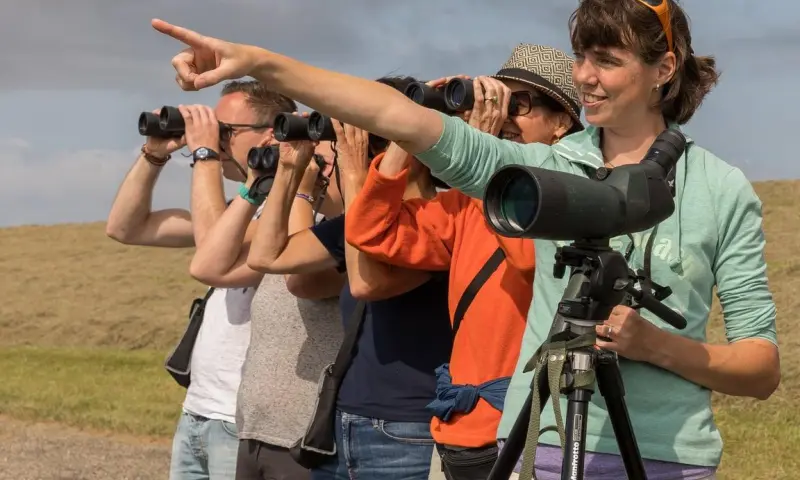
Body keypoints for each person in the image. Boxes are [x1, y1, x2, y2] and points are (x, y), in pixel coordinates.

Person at [151, 0, 781, 478]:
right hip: (541, 445)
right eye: (581, 58)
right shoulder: (543, 169)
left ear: (663, 69)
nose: (586, 77)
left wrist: (656, 347)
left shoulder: (720, 189)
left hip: (669, 456)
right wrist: (261, 63)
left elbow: (761, 368)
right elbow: (397, 115)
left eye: (607, 61)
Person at [343, 45, 583, 480]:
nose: (504, 116)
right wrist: (407, 130)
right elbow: (371, 231)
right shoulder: (462, 205)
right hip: (457, 425)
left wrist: (482, 158)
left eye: (519, 104)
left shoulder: (573, 197)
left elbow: (528, 261)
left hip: (522, 431)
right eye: (496, 101)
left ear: (561, 123)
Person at [106, 81, 337, 480]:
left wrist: (204, 156)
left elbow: (212, 251)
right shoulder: (245, 208)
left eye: (225, 130)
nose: (215, 138)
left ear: (272, 133)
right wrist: (154, 155)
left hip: (241, 419)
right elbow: (126, 227)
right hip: (199, 410)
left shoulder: (300, 217)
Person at [244, 76, 454, 480]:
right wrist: (290, 169)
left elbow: (365, 282)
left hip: (410, 428)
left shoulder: (443, 219)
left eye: (373, 140)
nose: (361, 152)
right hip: (344, 422)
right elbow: (267, 256)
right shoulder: (357, 221)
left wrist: (357, 175)